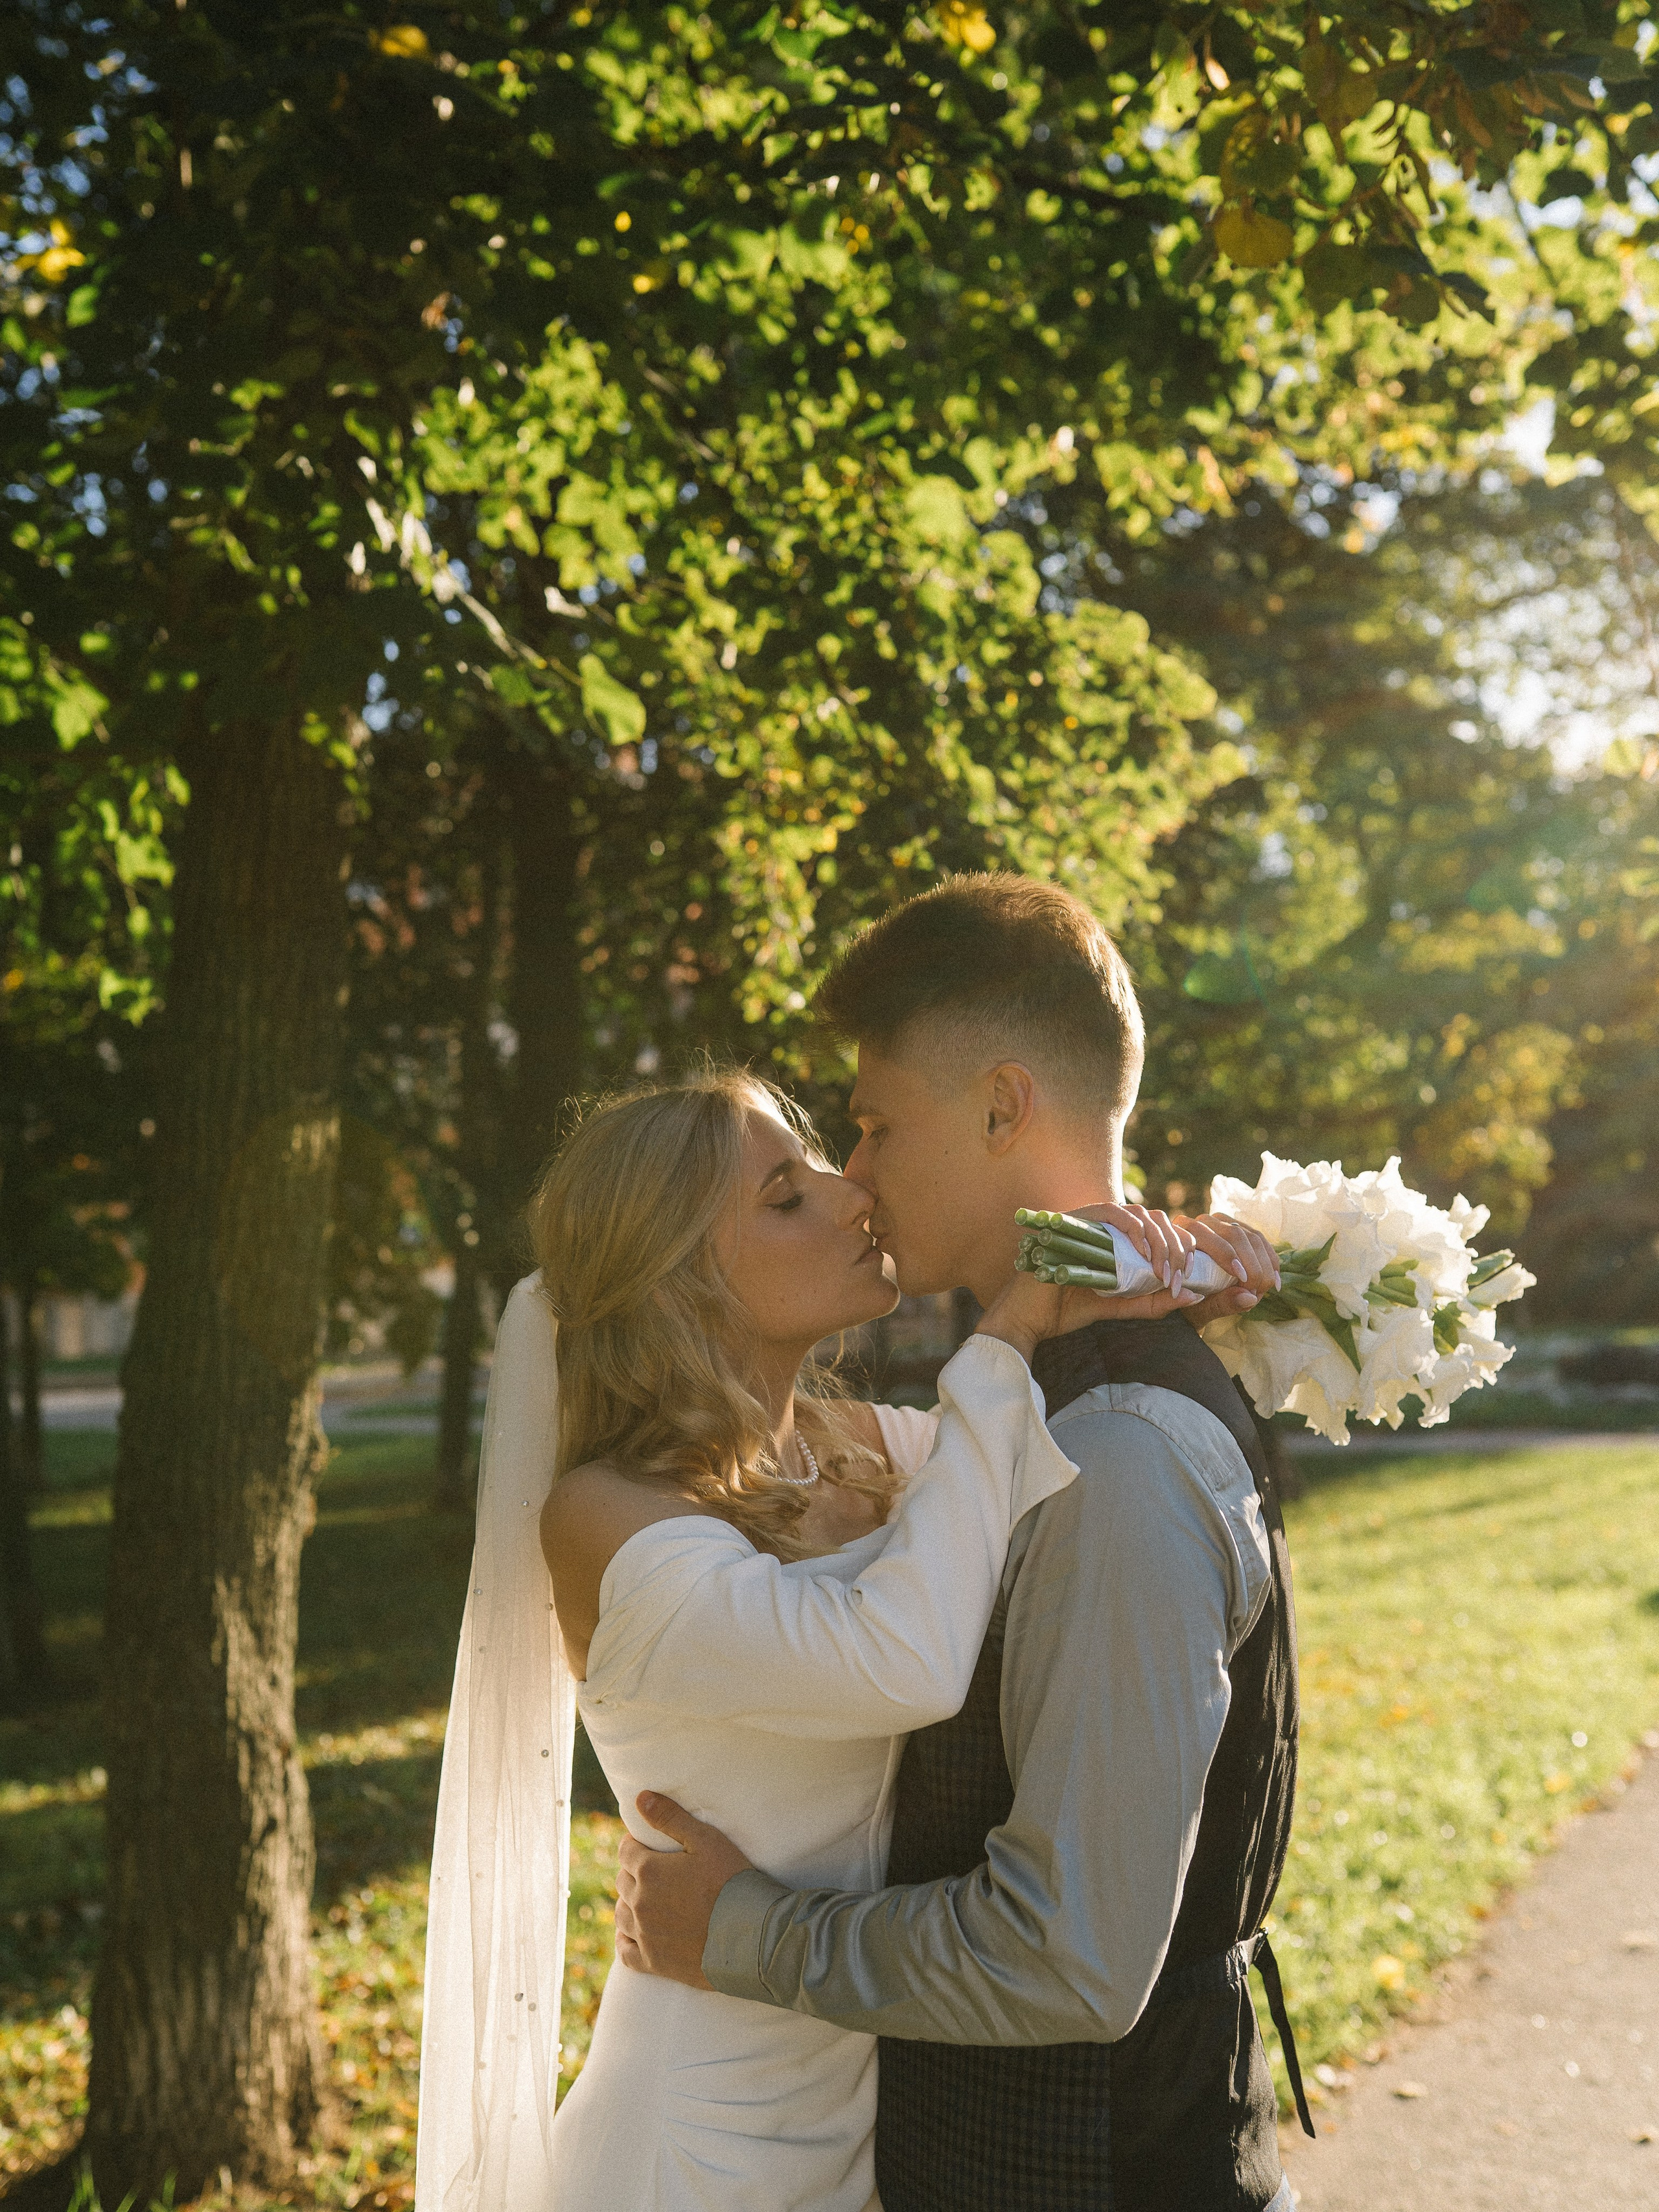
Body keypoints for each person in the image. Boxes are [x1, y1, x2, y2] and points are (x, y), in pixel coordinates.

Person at [413, 1063, 1266, 2212]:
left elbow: (1046, 1473)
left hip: (871, 2108)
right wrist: (1008, 1324)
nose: (851, 1194)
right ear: (676, 1276)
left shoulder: (858, 1444)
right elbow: (903, 1658)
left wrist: (1178, 1273)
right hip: (702, 2137)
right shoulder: (610, 1516)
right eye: (785, 1194)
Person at [615, 874, 1310, 2212]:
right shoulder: (1042, 1394)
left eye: (874, 1125)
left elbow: (1071, 1959)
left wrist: (744, 1933)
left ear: (1001, 1105)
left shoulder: (1111, 1458)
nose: (854, 1172)